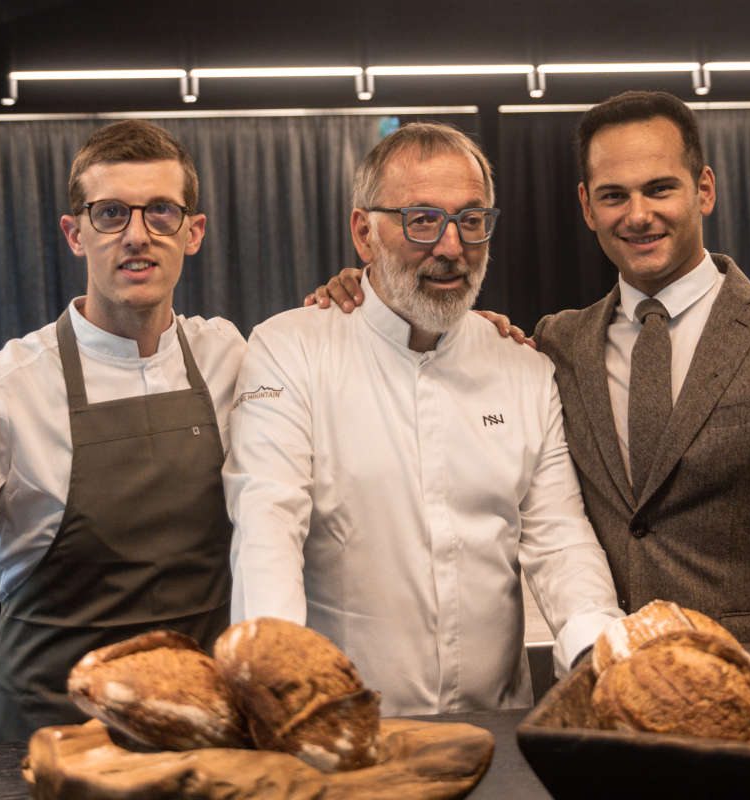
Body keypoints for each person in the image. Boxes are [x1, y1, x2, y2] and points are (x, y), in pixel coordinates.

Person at [308, 93, 750, 720]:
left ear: (702, 189)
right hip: (613, 702)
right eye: (614, 195)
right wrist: (365, 292)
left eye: (660, 188)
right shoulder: (557, 345)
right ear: (587, 206)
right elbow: (444, 334)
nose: (638, 214)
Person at [0, 120, 244, 775]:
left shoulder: (233, 357)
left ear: (193, 231)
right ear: (75, 233)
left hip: (208, 752)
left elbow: (346, 355)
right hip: (46, 753)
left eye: (160, 211)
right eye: (109, 213)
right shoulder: (3, 388)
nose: (136, 233)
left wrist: (468, 336)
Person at [225, 122, 622, 716]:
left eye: (471, 219)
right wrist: (273, 673)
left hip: (498, 728)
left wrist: (597, 649)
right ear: (365, 232)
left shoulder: (522, 368)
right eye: (422, 220)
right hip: (340, 727)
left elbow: (559, 539)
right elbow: (268, 523)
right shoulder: (290, 350)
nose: (451, 247)